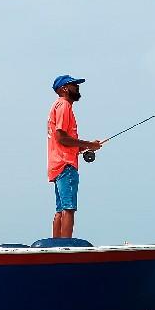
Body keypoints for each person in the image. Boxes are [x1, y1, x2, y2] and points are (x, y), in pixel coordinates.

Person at [48, 75, 102, 239]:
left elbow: (63, 141)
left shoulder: (56, 105)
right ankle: (65, 246)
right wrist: (89, 144)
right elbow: (61, 137)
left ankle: (55, 246)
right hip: (66, 165)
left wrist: (87, 146)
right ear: (64, 88)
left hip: (57, 165)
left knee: (60, 209)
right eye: (74, 85)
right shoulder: (64, 105)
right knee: (69, 208)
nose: (77, 87)